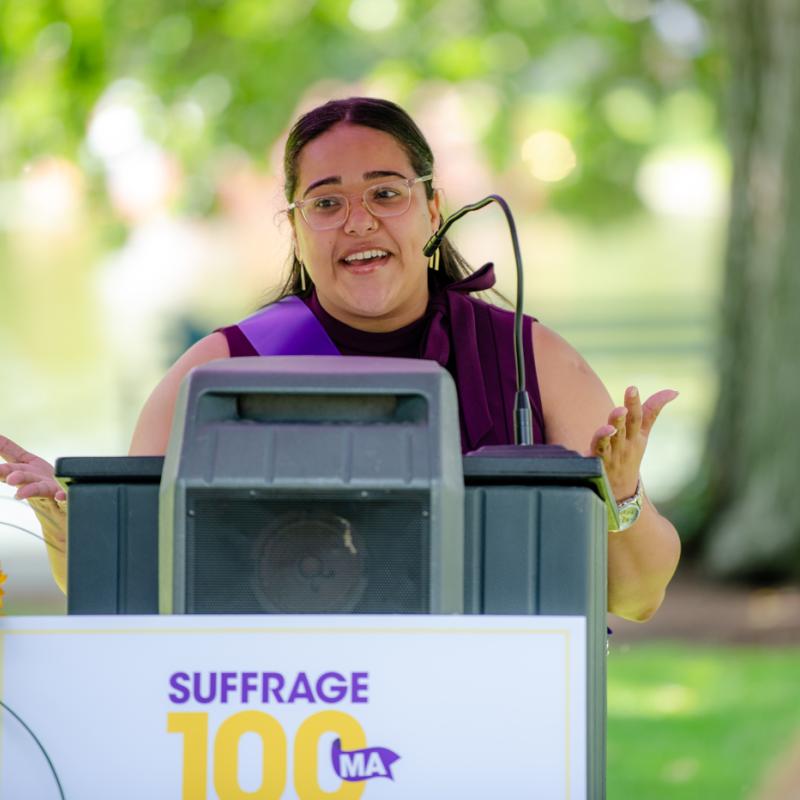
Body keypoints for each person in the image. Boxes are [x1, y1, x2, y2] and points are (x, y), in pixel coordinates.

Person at [0, 97, 680, 620]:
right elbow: (135, 583)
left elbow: (638, 597)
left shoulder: (529, 358)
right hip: (285, 714)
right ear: (295, 228)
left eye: (386, 193)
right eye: (327, 203)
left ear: (432, 208)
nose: (358, 221)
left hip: (480, 705)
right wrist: (71, 533)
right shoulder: (222, 369)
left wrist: (618, 495)